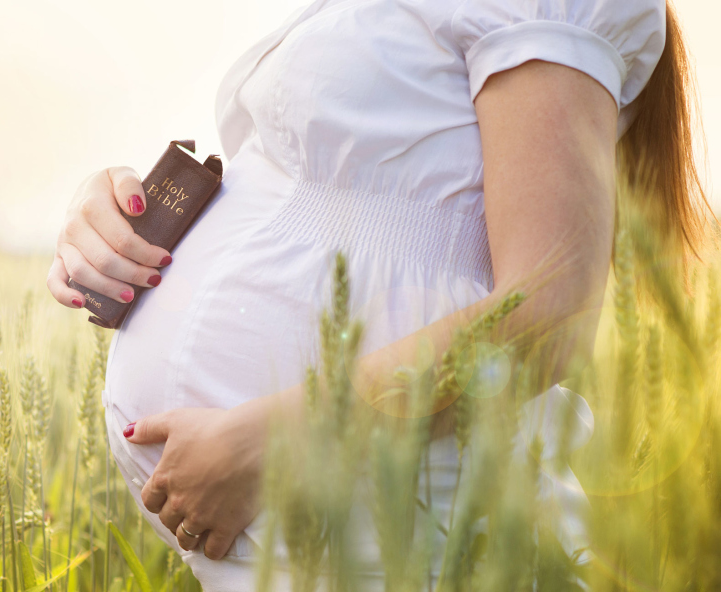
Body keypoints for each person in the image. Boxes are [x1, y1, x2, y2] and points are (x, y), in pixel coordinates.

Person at [47, 0, 708, 589]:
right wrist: (111, 209)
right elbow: (311, 188)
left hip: (397, 517)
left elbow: (549, 309)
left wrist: (280, 442)